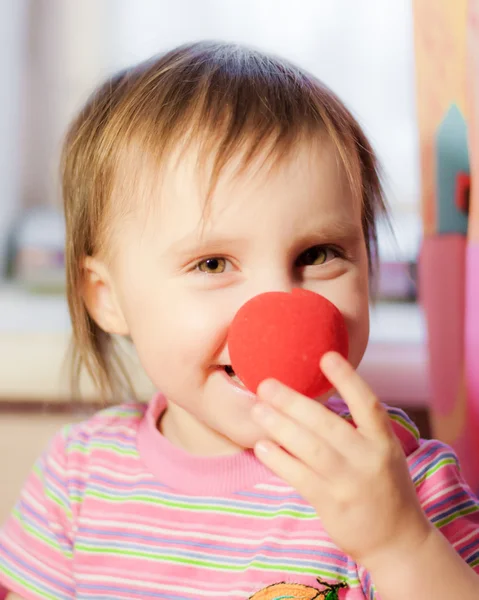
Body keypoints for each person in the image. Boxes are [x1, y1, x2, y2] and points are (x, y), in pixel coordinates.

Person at [1, 41, 479, 600]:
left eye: (319, 254)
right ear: (107, 298)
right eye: (213, 263)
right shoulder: (76, 481)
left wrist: (400, 545)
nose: (280, 306)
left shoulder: (399, 481)